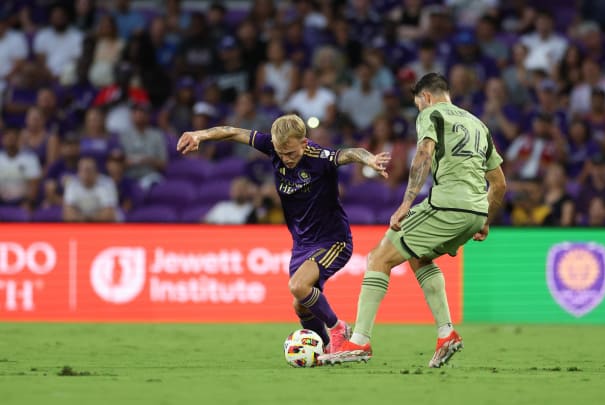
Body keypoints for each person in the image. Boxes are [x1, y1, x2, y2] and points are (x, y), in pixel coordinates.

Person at [318, 73, 506, 368]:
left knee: (379, 258)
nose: (419, 109)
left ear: (427, 97)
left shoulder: (431, 114)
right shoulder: (478, 125)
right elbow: (500, 183)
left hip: (446, 205)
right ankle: (446, 334)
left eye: (418, 104)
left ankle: (359, 342)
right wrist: (484, 219)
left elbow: (423, 155)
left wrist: (406, 203)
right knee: (419, 257)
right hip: (475, 211)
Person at [176, 114, 391, 353]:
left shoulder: (319, 157)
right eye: (280, 153)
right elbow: (234, 132)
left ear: (304, 143)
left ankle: (338, 328)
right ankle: (327, 348)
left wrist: (369, 159)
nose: (286, 159)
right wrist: (199, 135)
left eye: (291, 153)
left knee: (298, 286)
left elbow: (350, 153)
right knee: (302, 306)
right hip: (302, 243)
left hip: (333, 241)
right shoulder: (273, 147)